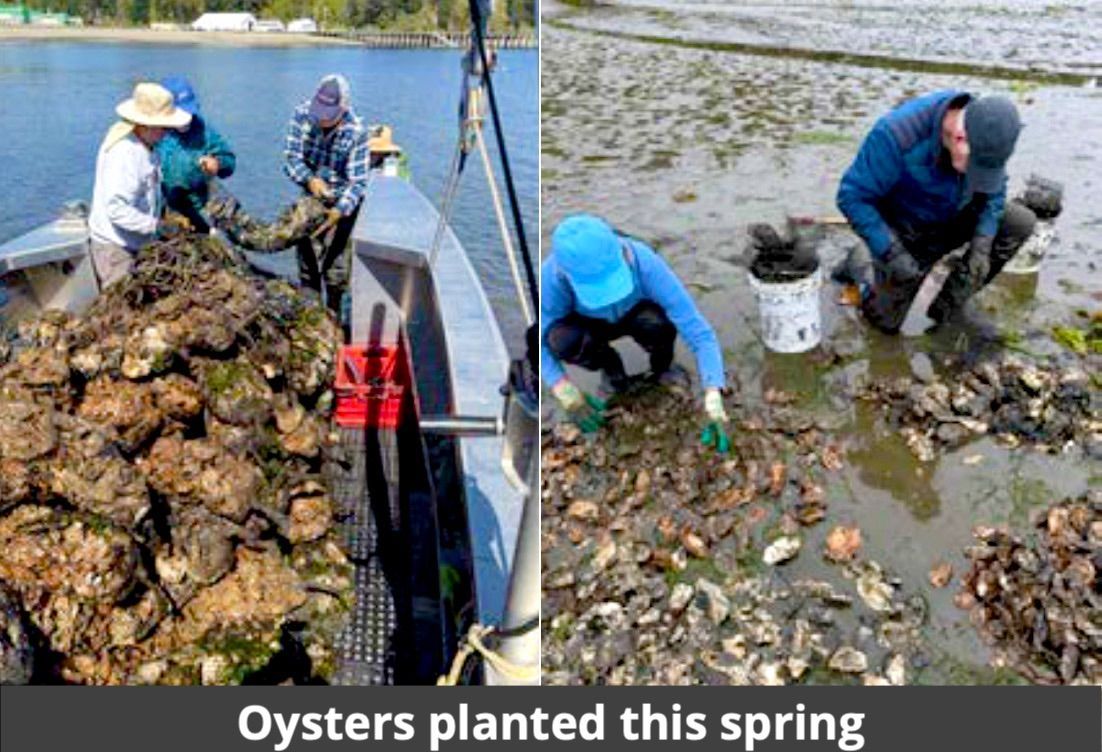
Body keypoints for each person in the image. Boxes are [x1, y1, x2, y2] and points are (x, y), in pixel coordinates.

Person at [835, 90, 1036, 333]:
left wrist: (983, 242)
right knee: (884, 324)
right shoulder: (895, 134)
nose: (975, 174)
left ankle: (948, 307)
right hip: (908, 232)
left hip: (957, 216)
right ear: (960, 138)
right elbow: (852, 197)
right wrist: (891, 253)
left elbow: (993, 190)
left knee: (1019, 222)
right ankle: (858, 262)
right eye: (973, 167)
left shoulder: (990, 128)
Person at [541, 214, 730, 450]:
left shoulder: (645, 262)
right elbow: (539, 341)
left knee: (659, 323)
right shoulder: (552, 279)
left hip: (638, 315)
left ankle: (663, 367)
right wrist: (563, 388)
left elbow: (699, 332)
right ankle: (611, 370)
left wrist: (713, 390)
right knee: (561, 340)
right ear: (566, 275)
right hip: (591, 326)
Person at [88, 82, 191, 288]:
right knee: (122, 311)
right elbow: (117, 210)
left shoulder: (145, 143)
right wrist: (158, 227)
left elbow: (146, 190)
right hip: (116, 248)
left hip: (135, 242)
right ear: (143, 124)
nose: (167, 132)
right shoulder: (125, 152)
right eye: (163, 126)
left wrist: (164, 217)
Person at [283, 73, 370, 312]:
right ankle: (310, 314)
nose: (321, 120)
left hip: (342, 205)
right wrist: (310, 179)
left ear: (343, 109)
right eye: (318, 113)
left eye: (328, 117)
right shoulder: (302, 115)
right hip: (310, 198)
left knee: (337, 270)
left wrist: (339, 211)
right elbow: (291, 158)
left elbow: (359, 182)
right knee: (307, 265)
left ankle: (334, 313)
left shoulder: (357, 131)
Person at [156, 76, 236, 234]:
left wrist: (217, 163)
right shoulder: (156, 132)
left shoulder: (204, 130)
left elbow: (229, 161)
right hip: (164, 211)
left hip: (199, 211)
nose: (186, 120)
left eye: (189, 113)